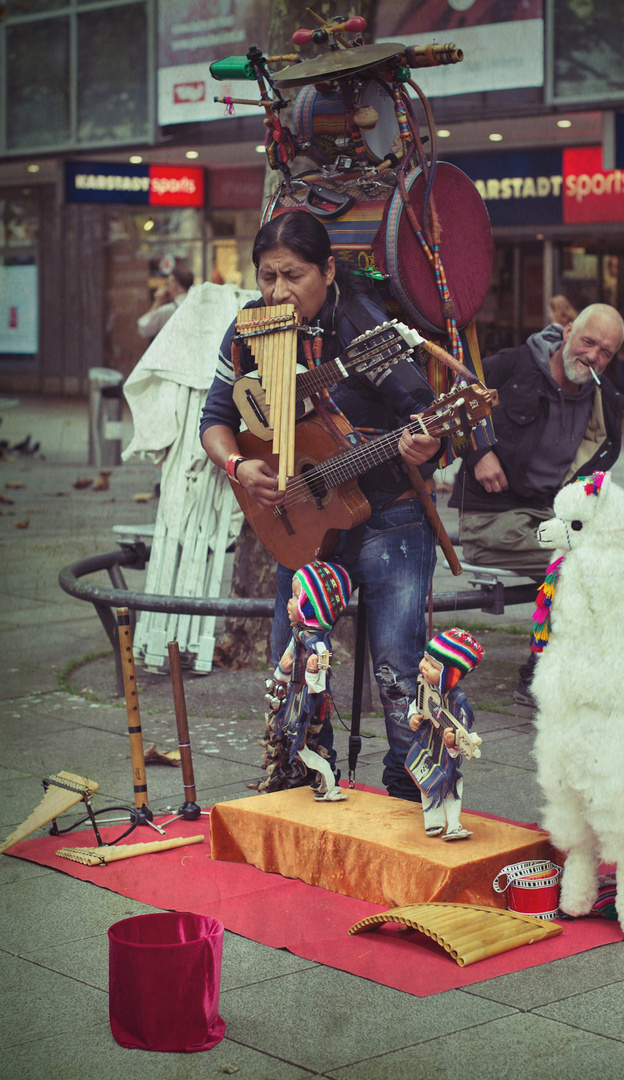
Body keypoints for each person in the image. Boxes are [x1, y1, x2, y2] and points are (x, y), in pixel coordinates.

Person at [200, 211, 443, 802]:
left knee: (399, 668)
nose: (278, 291)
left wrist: (428, 440)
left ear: (328, 270)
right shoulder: (247, 332)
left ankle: (413, 789)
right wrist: (237, 466)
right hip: (303, 523)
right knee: (293, 660)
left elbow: (430, 422)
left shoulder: (366, 325)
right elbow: (214, 422)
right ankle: (304, 776)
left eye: (294, 275)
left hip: (390, 513)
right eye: (267, 276)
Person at [448, 302, 624, 707]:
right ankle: (537, 676)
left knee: (611, 561)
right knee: (572, 571)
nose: (593, 357)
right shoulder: (515, 366)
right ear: (566, 333)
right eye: (588, 342)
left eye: (606, 353)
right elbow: (450, 397)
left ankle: (585, 669)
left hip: (549, 515)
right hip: (490, 517)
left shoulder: (603, 399)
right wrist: (478, 453)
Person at [258, 561, 351, 801]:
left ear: (311, 606)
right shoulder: (298, 631)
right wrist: (282, 670)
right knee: (295, 737)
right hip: (296, 694)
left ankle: (327, 778)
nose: (289, 602)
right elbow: (288, 656)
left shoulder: (315, 637)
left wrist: (315, 665)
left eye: (296, 596)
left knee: (310, 738)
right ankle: (319, 780)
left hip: (311, 699)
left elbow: (324, 656)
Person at [406, 628, 484, 840]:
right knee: (428, 782)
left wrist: (453, 741)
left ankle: (454, 825)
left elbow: (463, 728)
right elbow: (416, 705)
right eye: (425, 659)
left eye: (433, 666)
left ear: (450, 675)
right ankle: (433, 822)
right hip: (427, 743)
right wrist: (412, 716)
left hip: (445, 752)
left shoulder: (458, 701)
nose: (424, 667)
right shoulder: (424, 683)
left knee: (450, 784)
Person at [137, 266, 194, 340]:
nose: (167, 288)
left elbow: (143, 328)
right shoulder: (198, 307)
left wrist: (158, 302)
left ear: (175, 285)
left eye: (168, 284)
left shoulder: (167, 311)